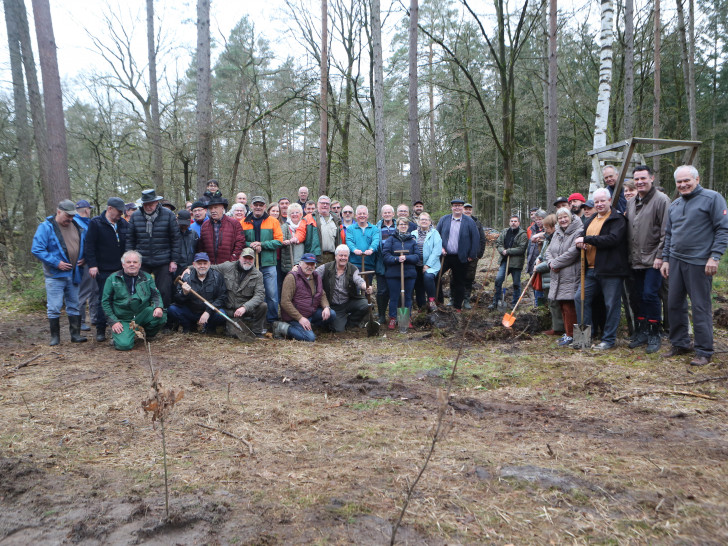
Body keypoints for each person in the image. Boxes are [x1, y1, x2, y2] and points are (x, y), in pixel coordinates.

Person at [661, 165, 728, 366]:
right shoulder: (674, 205)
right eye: (679, 182)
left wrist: (714, 256)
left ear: (697, 179)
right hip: (676, 261)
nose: (683, 185)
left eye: (686, 180)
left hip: (700, 262)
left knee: (700, 306)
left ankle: (704, 350)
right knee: (674, 304)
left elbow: (722, 229)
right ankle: (680, 343)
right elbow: (669, 235)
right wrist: (665, 259)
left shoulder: (712, 198)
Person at [574, 188, 629, 350]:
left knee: (611, 305)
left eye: (602, 201)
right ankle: (584, 338)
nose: (599, 204)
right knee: (580, 299)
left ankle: (608, 340)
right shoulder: (590, 221)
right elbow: (582, 240)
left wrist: (586, 239)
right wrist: (580, 244)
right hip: (590, 270)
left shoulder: (617, 219)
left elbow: (613, 239)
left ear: (609, 201)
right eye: (596, 201)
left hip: (611, 270)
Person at [624, 165, 671, 354]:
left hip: (654, 259)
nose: (640, 182)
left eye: (643, 178)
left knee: (651, 295)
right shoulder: (631, 202)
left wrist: (661, 256)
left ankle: (654, 332)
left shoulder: (662, 200)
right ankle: (642, 330)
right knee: (638, 296)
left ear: (651, 178)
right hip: (635, 260)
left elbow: (666, 231)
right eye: (636, 179)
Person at [32, 199, 88, 345]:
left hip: (74, 273)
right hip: (55, 275)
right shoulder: (46, 227)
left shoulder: (77, 226)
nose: (69, 219)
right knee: (54, 307)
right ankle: (55, 337)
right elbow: (37, 249)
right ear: (58, 212)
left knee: (74, 304)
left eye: (72, 216)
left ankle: (75, 335)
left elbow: (85, 244)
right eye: (67, 216)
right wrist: (56, 263)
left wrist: (84, 258)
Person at [126, 189, 180, 308]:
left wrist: (174, 260)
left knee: (164, 291)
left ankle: (163, 319)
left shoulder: (168, 214)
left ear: (157, 202)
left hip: (163, 259)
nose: (148, 207)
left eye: (151, 204)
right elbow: (130, 240)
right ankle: (143, 320)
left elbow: (175, 239)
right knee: (141, 290)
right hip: (142, 260)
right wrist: (129, 260)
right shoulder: (135, 216)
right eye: (146, 204)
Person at [102, 250, 166, 351]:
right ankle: (119, 337)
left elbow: (156, 295)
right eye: (128, 262)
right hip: (123, 318)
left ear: (139, 264)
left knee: (161, 316)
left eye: (135, 262)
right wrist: (113, 322)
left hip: (142, 314)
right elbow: (105, 302)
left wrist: (158, 306)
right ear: (123, 264)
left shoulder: (147, 277)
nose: (132, 265)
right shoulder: (113, 279)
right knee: (124, 345)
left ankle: (146, 334)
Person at [85, 197, 129, 342]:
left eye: (122, 213)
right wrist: (92, 265)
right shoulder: (96, 223)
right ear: (110, 209)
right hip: (103, 269)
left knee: (121, 297)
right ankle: (100, 329)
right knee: (104, 299)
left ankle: (120, 328)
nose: (120, 215)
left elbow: (128, 244)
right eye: (118, 212)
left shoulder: (123, 224)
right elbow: (89, 245)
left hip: (121, 268)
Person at [544, 208, 583, 346]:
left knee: (569, 305)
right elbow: (549, 250)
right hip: (557, 273)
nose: (563, 220)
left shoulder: (578, 230)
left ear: (570, 218)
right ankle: (567, 333)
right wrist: (550, 263)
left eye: (565, 217)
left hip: (571, 273)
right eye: (560, 218)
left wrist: (555, 263)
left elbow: (573, 252)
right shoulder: (558, 232)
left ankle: (573, 335)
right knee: (562, 304)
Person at [241, 196, 283, 324]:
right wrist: (251, 244)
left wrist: (262, 245)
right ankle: (253, 320)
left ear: (265, 206)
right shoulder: (243, 222)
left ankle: (272, 321)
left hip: (268, 263)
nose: (258, 207)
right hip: (250, 264)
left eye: (261, 204)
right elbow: (240, 241)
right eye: (256, 204)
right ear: (251, 206)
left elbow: (279, 241)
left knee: (272, 295)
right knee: (250, 293)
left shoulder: (273, 222)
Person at [211, 248, 268, 337]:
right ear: (240, 257)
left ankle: (257, 331)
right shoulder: (227, 267)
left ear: (254, 260)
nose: (248, 261)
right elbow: (209, 268)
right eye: (245, 258)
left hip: (245, 309)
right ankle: (224, 326)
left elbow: (260, 295)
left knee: (263, 306)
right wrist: (189, 268)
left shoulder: (258, 275)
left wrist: (245, 307)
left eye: (250, 259)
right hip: (228, 309)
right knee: (233, 335)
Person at [437, 198, 481, 311]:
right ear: (452, 207)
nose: (457, 207)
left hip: (461, 257)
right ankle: (439, 302)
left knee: (459, 282)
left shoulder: (469, 222)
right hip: (445, 256)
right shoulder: (444, 220)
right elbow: (436, 236)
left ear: (462, 207)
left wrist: (471, 255)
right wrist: (440, 247)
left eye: (460, 206)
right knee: (435, 277)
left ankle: (457, 306)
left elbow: (475, 239)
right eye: (455, 205)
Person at [280, 253, 336, 341]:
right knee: (310, 338)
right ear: (300, 264)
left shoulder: (316, 276)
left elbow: (321, 293)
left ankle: (308, 326)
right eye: (307, 264)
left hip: (310, 312)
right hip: (294, 317)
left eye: (312, 264)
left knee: (331, 314)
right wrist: (300, 318)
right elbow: (284, 302)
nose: (310, 266)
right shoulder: (292, 277)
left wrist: (326, 307)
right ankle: (283, 327)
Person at [168, 252, 228, 333]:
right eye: (199, 264)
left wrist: (208, 312)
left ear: (209, 264)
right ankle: (188, 326)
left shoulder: (217, 277)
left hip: (209, 312)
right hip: (191, 311)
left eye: (205, 263)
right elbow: (177, 299)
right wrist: (184, 294)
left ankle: (209, 327)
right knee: (172, 309)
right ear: (194, 264)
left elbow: (222, 297)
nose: (202, 266)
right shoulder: (186, 277)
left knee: (221, 314)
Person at [316, 245, 371, 332]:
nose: (343, 258)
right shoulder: (325, 268)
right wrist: (298, 268)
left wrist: (365, 286)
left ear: (348, 257)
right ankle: (335, 322)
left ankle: (351, 322)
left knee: (366, 304)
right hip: (334, 306)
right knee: (338, 330)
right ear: (335, 256)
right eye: (341, 255)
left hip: (348, 302)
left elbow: (358, 280)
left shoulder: (353, 269)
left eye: (345, 256)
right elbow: (313, 275)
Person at [382, 217, 419, 329]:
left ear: (408, 226)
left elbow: (417, 257)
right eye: (401, 224)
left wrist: (406, 258)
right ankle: (393, 318)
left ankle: (406, 318)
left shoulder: (412, 240)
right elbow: (386, 255)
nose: (403, 226)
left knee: (408, 297)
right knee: (394, 296)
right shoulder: (391, 239)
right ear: (397, 226)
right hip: (393, 274)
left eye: (405, 224)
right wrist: (396, 259)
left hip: (409, 274)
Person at [533, 214, 563, 336]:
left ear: (554, 227)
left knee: (555, 302)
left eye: (547, 228)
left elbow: (553, 260)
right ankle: (555, 326)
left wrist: (538, 267)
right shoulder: (547, 239)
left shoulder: (557, 240)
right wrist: (538, 259)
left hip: (553, 276)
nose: (545, 230)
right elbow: (543, 255)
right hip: (546, 277)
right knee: (550, 302)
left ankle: (559, 328)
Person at [489, 215, 528, 309]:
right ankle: (496, 302)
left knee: (516, 284)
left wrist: (508, 251)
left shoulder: (523, 234)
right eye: (512, 221)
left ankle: (515, 304)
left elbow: (522, 249)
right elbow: (499, 243)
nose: (513, 223)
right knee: (498, 280)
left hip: (516, 263)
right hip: (504, 261)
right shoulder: (505, 232)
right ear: (509, 222)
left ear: (518, 223)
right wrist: (502, 250)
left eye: (515, 221)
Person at [197, 196, 245, 264]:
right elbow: (201, 247)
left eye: (216, 207)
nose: (213, 211)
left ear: (222, 208)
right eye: (210, 208)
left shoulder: (234, 224)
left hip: (229, 266)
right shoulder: (205, 225)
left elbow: (240, 243)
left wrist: (232, 261)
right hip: (210, 266)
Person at [296, 195, 342, 264]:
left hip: (333, 257)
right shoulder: (309, 218)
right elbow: (301, 232)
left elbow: (341, 238)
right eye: (322, 203)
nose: (325, 205)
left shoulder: (336, 220)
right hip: (316, 257)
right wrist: (296, 238)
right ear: (317, 204)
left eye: (327, 204)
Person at [412, 212, 442, 312]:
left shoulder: (435, 233)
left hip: (431, 265)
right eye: (422, 219)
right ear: (418, 221)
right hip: (416, 264)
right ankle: (422, 306)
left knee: (428, 277)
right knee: (418, 283)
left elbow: (437, 251)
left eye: (426, 219)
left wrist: (428, 265)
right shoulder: (413, 234)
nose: (424, 221)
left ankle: (431, 300)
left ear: (430, 222)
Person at [74, 199, 97, 331]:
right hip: (82, 264)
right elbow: (80, 244)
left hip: (89, 262)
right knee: (82, 292)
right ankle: (80, 320)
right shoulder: (77, 224)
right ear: (86, 210)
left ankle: (94, 317)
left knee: (94, 290)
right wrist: (83, 258)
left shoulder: (86, 223)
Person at [374, 204, 398, 322]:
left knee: (395, 289)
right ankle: (381, 315)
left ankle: (395, 315)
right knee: (382, 290)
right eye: (385, 212)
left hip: (396, 263)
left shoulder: (399, 226)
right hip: (381, 263)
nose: (387, 214)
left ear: (393, 214)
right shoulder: (376, 227)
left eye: (389, 212)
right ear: (382, 214)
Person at [462, 203, 487, 309]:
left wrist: (479, 253)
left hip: (473, 256)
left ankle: (466, 300)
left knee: (469, 277)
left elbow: (482, 238)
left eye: (469, 209)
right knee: (455, 277)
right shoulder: (458, 221)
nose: (467, 211)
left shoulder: (477, 223)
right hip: (459, 255)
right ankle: (453, 298)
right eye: (466, 209)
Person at [346, 205, 379, 273]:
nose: (362, 215)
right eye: (360, 214)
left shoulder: (374, 229)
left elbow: (376, 241)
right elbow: (349, 241)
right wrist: (354, 250)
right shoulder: (350, 229)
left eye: (364, 213)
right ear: (356, 216)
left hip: (369, 264)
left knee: (367, 283)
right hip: (354, 264)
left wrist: (371, 249)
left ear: (367, 215)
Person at [280, 203, 305, 281]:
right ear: (289, 215)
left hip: (302, 259)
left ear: (301, 214)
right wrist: (286, 242)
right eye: (292, 213)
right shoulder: (285, 226)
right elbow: (281, 241)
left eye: (297, 212)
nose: (295, 214)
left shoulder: (305, 226)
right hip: (289, 260)